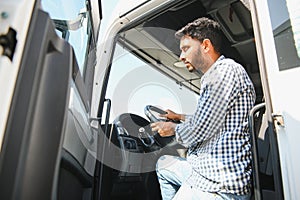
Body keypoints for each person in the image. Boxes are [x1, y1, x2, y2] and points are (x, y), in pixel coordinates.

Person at [151, 17, 256, 200]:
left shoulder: (224, 72)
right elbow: (208, 119)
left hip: (218, 184)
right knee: (163, 164)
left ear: (206, 45)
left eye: (186, 49)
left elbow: (199, 129)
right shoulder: (216, 76)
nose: (181, 56)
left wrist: (172, 128)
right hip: (204, 171)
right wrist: (178, 116)